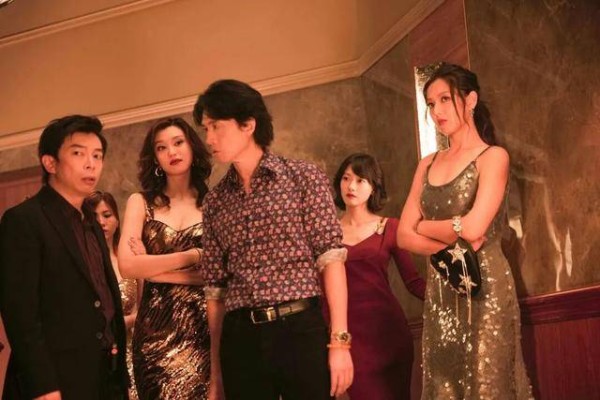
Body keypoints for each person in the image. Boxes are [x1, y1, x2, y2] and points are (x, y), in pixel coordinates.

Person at [194, 79, 353, 400]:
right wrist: (216, 374)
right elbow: (215, 292)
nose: (208, 138)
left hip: (299, 328)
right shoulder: (215, 202)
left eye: (216, 126)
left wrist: (340, 344)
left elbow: (331, 259)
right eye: (205, 128)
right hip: (241, 340)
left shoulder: (303, 178)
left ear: (248, 124)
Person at [397, 63, 533, 399]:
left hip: (485, 289)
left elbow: (475, 227)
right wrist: (451, 240)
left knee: (487, 385)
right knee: (444, 386)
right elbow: (402, 235)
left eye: (445, 99)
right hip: (441, 290)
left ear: (470, 100)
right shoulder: (426, 164)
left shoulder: (493, 157)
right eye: (431, 104)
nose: (437, 111)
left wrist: (423, 226)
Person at [0, 115, 129, 399]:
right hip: (55, 382)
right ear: (50, 163)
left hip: (106, 376)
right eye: (78, 153)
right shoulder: (24, 220)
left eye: (97, 155)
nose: (91, 164)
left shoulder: (92, 222)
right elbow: (20, 314)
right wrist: (43, 386)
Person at [117, 117, 222, 400]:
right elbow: (128, 266)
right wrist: (193, 255)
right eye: (161, 148)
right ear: (155, 158)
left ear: (192, 147)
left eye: (178, 143)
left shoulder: (215, 204)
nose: (171, 152)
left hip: (203, 331)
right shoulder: (140, 203)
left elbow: (219, 275)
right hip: (153, 336)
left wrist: (152, 269)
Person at [329, 153, 425, 400]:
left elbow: (413, 282)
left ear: (373, 187)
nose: (351, 186)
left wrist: (455, 295)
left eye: (360, 180)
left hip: (389, 334)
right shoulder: (327, 233)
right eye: (346, 178)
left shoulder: (390, 227)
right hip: (349, 340)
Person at [85, 191, 142, 400]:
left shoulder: (128, 257)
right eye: (94, 216)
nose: (101, 222)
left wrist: (143, 258)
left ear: (117, 220)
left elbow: (145, 305)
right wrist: (128, 320)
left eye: (107, 215)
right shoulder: (85, 265)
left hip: (136, 347)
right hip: (104, 352)